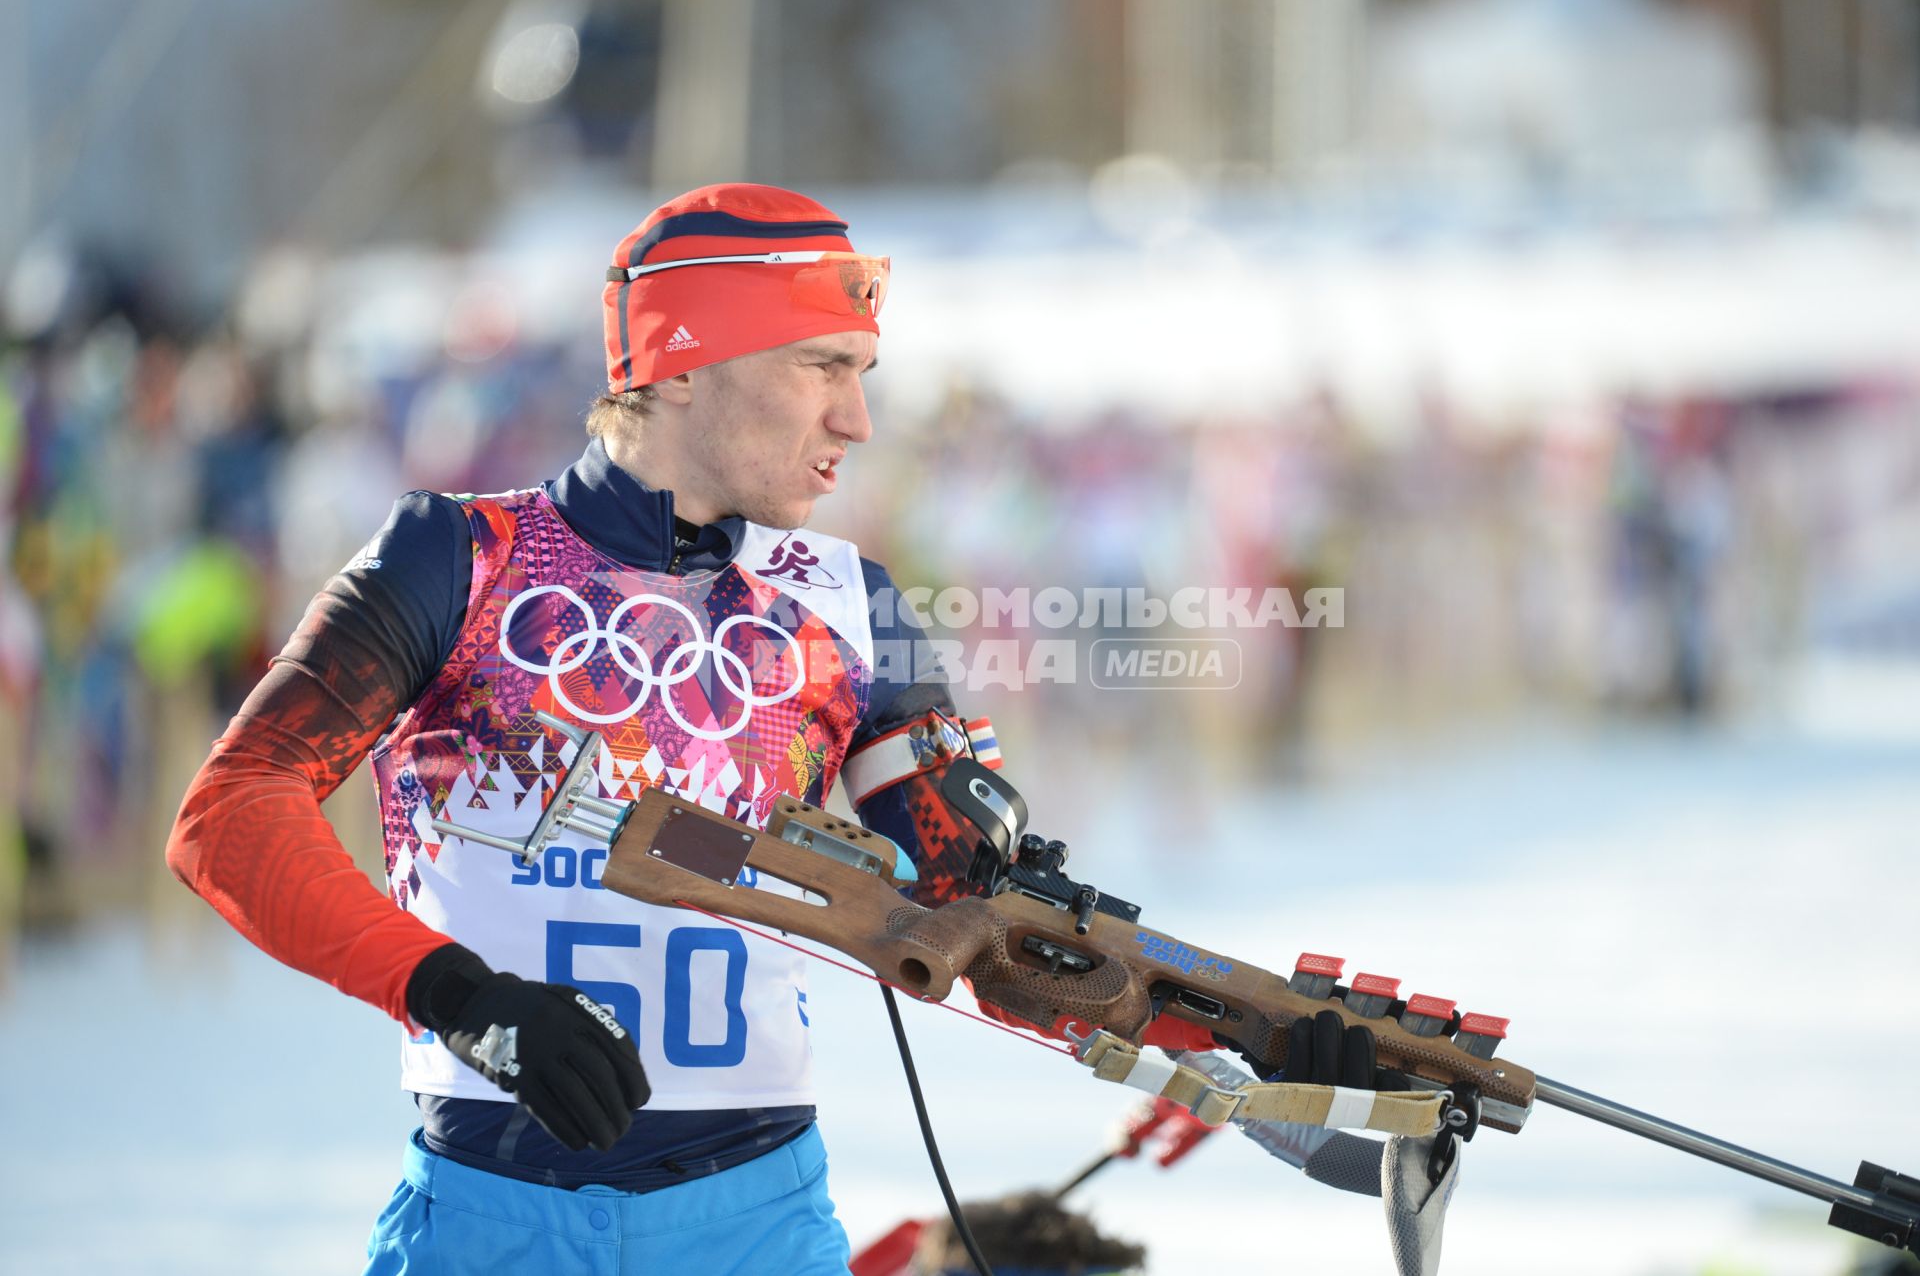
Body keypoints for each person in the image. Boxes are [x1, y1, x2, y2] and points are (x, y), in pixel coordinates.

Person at [164, 182, 1371, 1274]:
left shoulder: (853, 602)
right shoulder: (456, 558)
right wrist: (457, 995)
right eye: (820, 368)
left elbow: (988, 920)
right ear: (682, 365)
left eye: (864, 374)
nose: (855, 419)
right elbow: (230, 817)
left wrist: (1245, 1037)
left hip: (753, 1224)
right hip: (492, 1212)